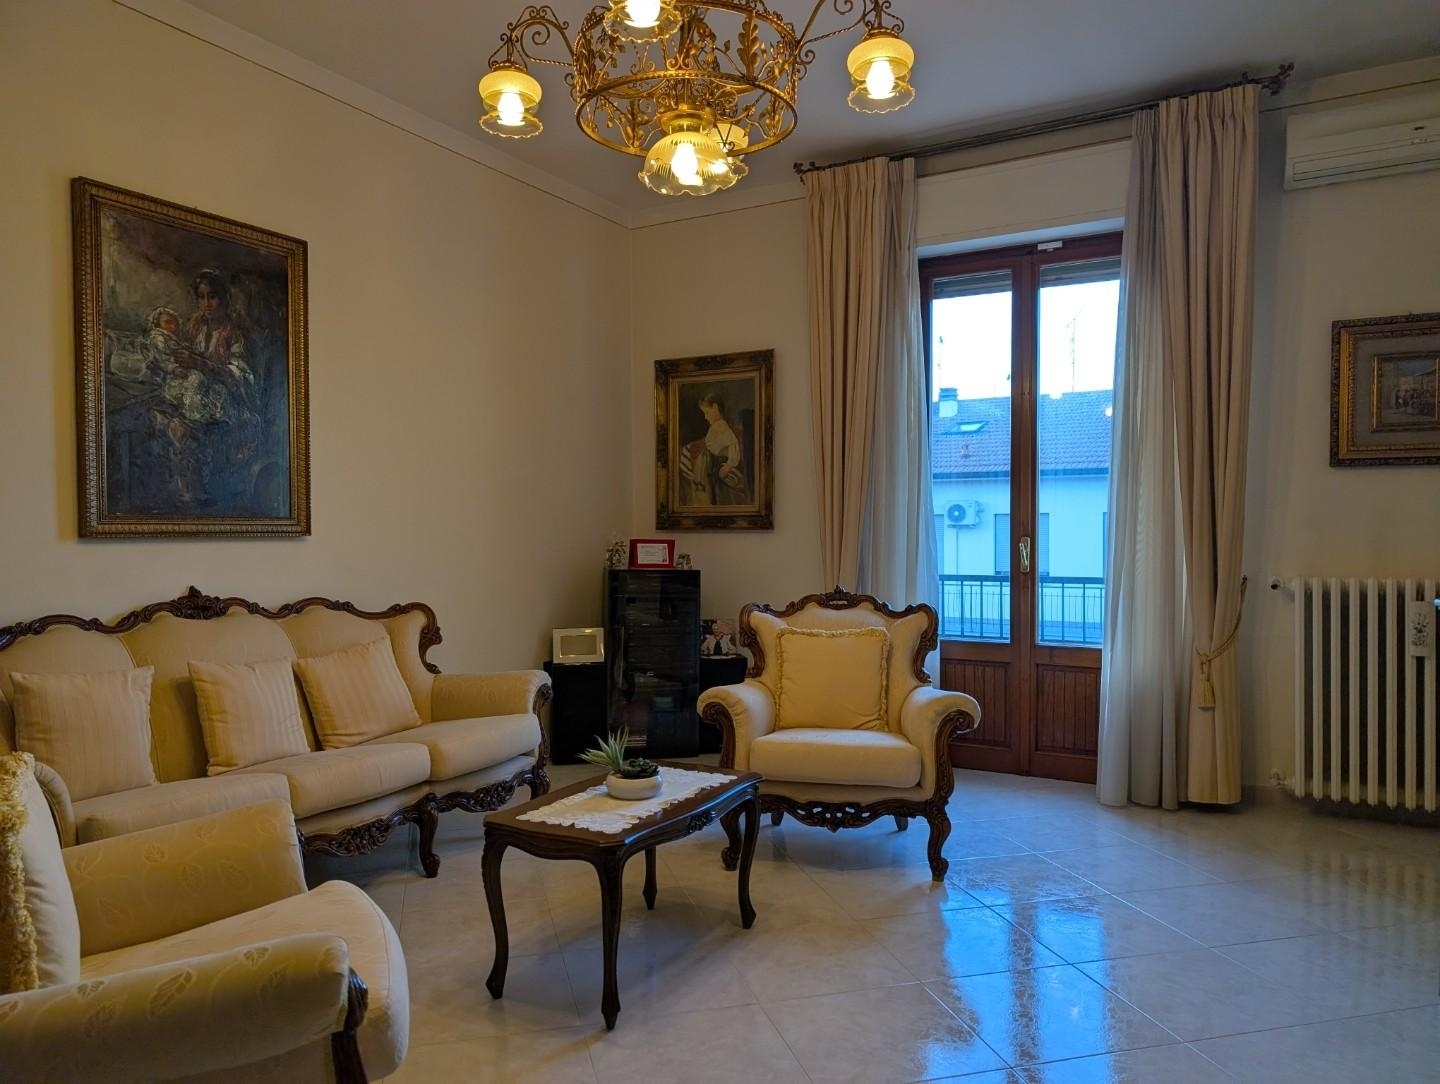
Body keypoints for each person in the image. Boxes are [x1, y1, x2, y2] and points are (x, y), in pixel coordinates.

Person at [687, 393, 750, 506]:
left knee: (718, 492)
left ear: (715, 407)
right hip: (709, 463)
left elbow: (733, 444)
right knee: (709, 490)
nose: (705, 417)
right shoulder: (716, 425)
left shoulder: (721, 426)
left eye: (707, 412)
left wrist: (729, 465)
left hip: (716, 463)